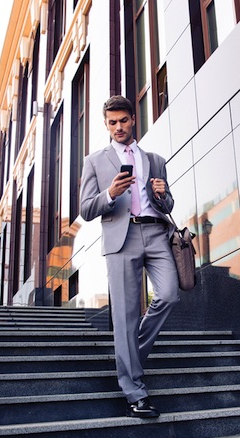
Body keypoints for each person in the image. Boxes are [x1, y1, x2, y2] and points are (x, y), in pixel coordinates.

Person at [79, 95, 179, 418]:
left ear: (133, 120)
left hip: (155, 233)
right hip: (121, 238)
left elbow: (168, 205)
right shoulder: (94, 161)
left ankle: (130, 350)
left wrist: (164, 195)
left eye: (123, 121)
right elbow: (85, 208)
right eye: (112, 123)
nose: (118, 127)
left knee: (169, 294)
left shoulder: (154, 158)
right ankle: (135, 391)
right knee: (124, 315)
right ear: (106, 125)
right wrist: (110, 193)